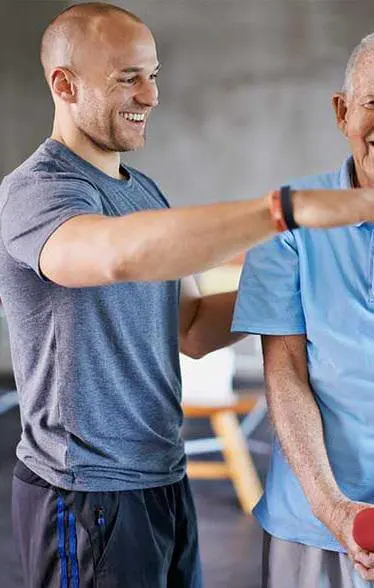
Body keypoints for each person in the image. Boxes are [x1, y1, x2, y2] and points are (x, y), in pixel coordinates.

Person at [2, 3, 374, 587]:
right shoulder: (37, 193)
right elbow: (113, 256)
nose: (150, 96)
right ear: (65, 85)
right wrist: (282, 214)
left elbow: (195, 328)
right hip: (85, 492)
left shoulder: (144, 191)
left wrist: (297, 273)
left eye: (154, 75)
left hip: (161, 476)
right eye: (129, 77)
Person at [232, 32, 374, 588]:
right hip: (315, 526)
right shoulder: (290, 217)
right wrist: (337, 511)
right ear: (342, 113)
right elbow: (285, 373)